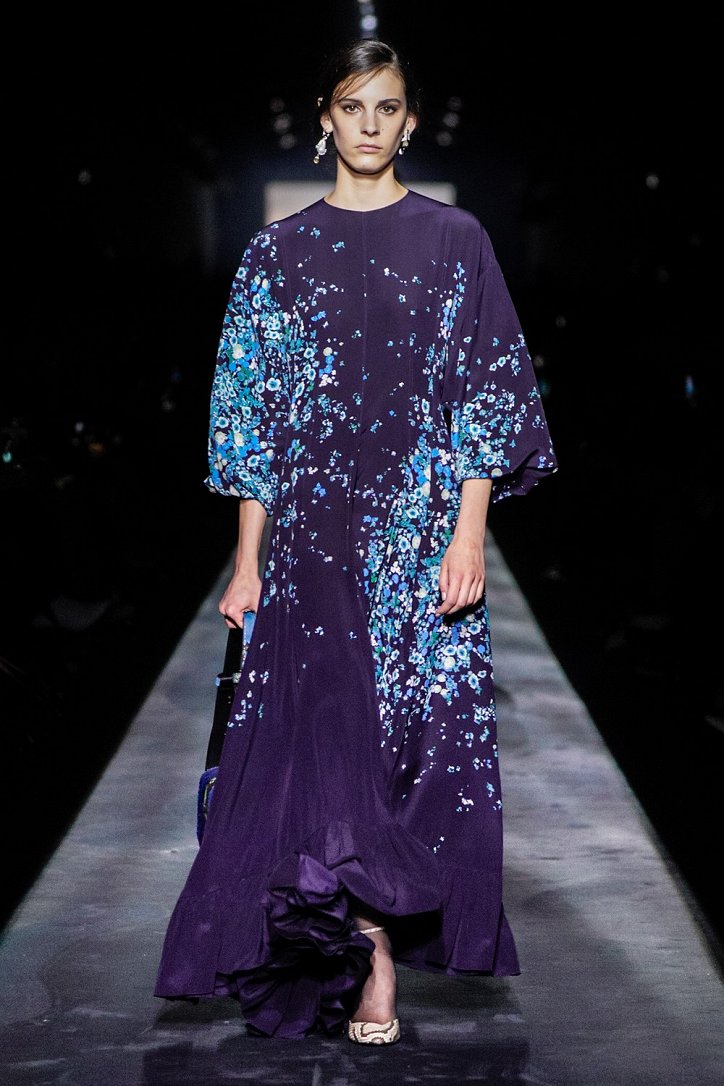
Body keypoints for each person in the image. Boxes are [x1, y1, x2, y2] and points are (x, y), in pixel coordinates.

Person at [154, 37, 557, 1045]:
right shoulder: (276, 254)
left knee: (417, 747)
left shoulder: (457, 239)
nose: (370, 124)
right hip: (313, 544)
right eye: (352, 106)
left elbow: (486, 391)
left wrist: (470, 533)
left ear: (408, 122)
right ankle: (366, 954)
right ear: (325, 118)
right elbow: (253, 420)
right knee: (327, 750)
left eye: (387, 107)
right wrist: (247, 563)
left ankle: (380, 939)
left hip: (421, 539)